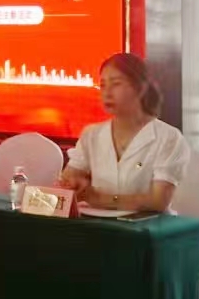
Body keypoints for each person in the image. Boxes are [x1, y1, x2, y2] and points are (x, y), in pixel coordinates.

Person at [59, 52, 189, 213]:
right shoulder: (91, 134)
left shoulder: (168, 137)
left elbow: (158, 201)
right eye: (103, 85)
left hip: (148, 225)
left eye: (116, 84)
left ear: (140, 88)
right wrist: (72, 183)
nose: (107, 93)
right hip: (96, 221)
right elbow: (68, 179)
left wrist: (98, 198)